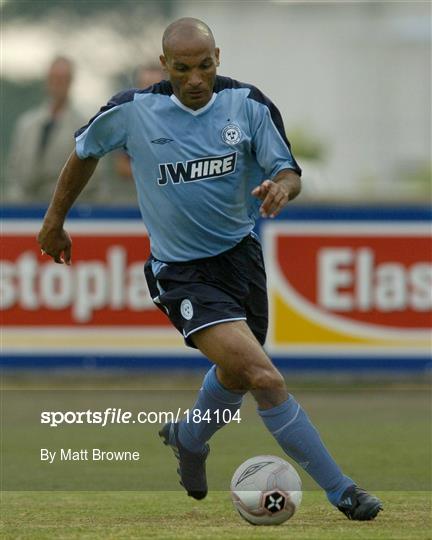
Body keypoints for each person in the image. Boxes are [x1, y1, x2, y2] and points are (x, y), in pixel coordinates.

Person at [37, 18, 383, 521]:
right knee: (264, 375)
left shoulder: (248, 105)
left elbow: (286, 169)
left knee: (236, 375)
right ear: (165, 66)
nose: (195, 79)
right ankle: (343, 491)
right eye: (182, 69)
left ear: (217, 57)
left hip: (241, 260)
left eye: (204, 66)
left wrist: (284, 186)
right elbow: (84, 151)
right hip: (181, 273)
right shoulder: (133, 111)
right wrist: (54, 221)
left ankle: (189, 437)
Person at [5, 56, 103, 204]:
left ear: (71, 82)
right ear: (47, 81)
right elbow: (13, 170)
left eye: (63, 79)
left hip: (66, 209)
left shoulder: (85, 126)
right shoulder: (27, 124)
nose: (58, 84)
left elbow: (95, 177)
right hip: (24, 209)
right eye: (54, 78)